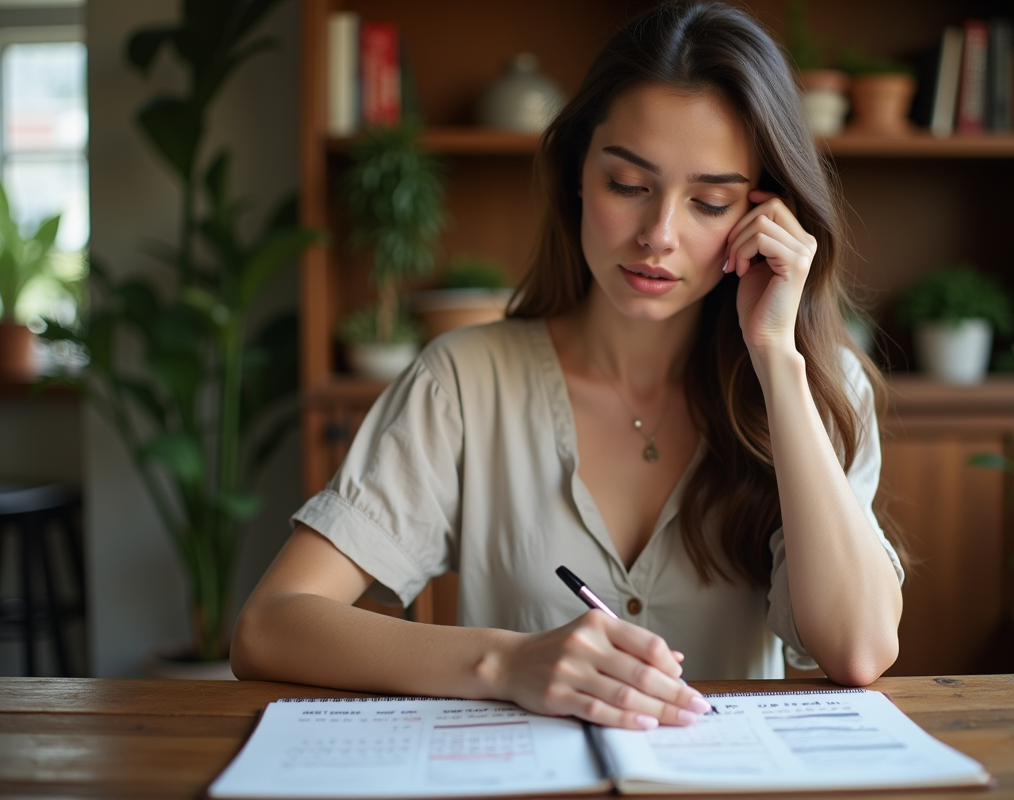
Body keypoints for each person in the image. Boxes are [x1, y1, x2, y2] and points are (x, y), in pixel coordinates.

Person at [231, 0, 904, 731]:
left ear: (764, 216)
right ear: (577, 174)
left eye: (709, 201)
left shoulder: (816, 387)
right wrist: (506, 664)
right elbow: (269, 626)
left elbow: (860, 650)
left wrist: (777, 359)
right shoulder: (464, 380)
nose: (658, 236)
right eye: (627, 185)